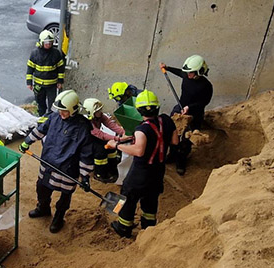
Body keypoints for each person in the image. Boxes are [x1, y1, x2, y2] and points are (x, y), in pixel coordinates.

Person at [19, 90, 94, 233]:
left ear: (73, 110)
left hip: (68, 168)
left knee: (64, 197)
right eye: (59, 110)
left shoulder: (83, 127)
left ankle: (59, 217)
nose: (61, 113)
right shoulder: (54, 117)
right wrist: (27, 141)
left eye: (64, 111)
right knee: (41, 188)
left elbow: (86, 154)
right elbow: (41, 130)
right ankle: (43, 208)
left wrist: (85, 176)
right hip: (48, 163)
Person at [106, 90, 178, 238]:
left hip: (141, 172)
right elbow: (175, 141)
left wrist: (116, 145)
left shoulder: (141, 129)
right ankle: (148, 228)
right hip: (158, 170)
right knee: (151, 198)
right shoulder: (166, 120)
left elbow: (138, 151)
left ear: (139, 110)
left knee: (128, 196)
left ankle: (123, 227)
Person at [160, 55, 213, 175]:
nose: (188, 75)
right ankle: (172, 154)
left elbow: (204, 102)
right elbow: (180, 72)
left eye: (191, 73)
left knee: (186, 140)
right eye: (187, 72)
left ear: (200, 72)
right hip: (180, 107)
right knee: (173, 133)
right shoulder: (187, 75)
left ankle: (181, 161)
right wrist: (167, 68)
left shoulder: (206, 86)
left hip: (195, 114)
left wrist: (189, 107)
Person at [82, 98, 129, 184]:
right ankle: (100, 174)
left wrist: (124, 132)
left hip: (95, 138)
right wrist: (118, 138)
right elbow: (100, 134)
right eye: (98, 111)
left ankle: (112, 168)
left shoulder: (99, 116)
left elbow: (110, 124)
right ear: (91, 112)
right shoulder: (86, 121)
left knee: (111, 147)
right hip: (86, 141)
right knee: (100, 151)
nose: (101, 112)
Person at [26, 29, 65, 116]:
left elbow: (60, 69)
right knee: (40, 104)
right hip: (39, 85)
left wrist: (60, 81)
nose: (49, 45)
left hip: (52, 85)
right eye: (46, 43)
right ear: (41, 42)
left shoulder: (56, 53)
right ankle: (41, 118)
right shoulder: (34, 53)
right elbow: (30, 69)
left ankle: (51, 120)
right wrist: (29, 83)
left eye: (50, 43)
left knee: (52, 105)